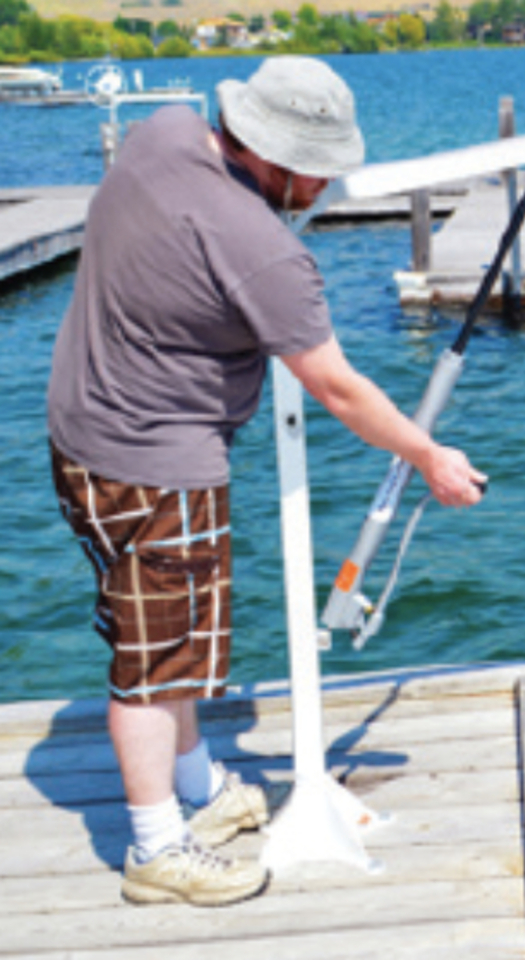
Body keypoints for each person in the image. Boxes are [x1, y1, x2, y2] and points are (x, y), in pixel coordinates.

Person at [46, 56, 487, 907]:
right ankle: (155, 848)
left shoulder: (163, 132)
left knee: (154, 637)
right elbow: (339, 388)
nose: (327, 184)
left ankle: (201, 794)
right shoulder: (263, 252)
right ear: (279, 159)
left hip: (80, 433)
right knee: (154, 661)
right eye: (319, 167)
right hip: (155, 465)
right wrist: (430, 457)